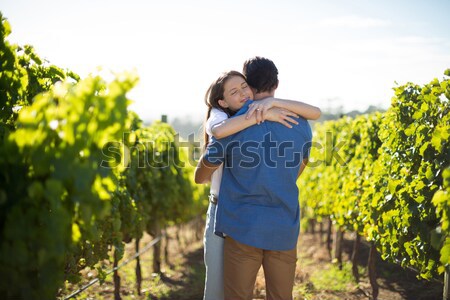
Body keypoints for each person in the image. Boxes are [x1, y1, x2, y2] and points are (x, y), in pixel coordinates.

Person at [197, 58, 318, 300]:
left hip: (241, 227)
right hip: (283, 226)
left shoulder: (235, 124)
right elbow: (301, 164)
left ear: (249, 86)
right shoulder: (300, 123)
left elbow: (202, 174)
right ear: (277, 83)